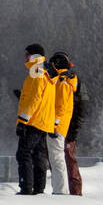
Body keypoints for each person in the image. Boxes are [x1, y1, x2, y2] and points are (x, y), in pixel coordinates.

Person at [14, 43, 55, 195]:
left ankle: (26, 188)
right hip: (43, 121)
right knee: (39, 156)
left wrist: (23, 120)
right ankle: (39, 189)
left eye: (27, 53)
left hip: (33, 121)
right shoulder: (44, 72)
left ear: (34, 55)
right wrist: (22, 97)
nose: (25, 56)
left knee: (24, 153)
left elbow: (35, 97)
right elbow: (41, 98)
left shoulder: (36, 71)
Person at [47, 52, 81, 195]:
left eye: (52, 64)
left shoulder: (62, 82)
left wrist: (54, 125)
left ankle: (60, 191)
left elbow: (60, 107)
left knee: (57, 158)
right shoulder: (65, 80)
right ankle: (60, 189)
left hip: (57, 126)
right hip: (60, 125)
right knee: (57, 158)